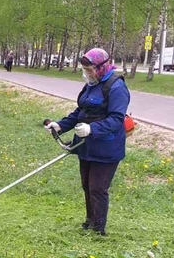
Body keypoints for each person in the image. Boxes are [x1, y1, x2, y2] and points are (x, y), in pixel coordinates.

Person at [44, 48, 130, 236]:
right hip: (86, 145)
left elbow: (116, 119)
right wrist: (60, 125)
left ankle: (99, 229)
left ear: (101, 66)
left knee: (98, 188)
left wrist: (92, 129)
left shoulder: (116, 87)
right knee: (87, 185)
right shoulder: (92, 84)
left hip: (107, 147)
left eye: (89, 69)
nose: (87, 73)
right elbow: (80, 112)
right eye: (84, 70)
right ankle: (90, 221)